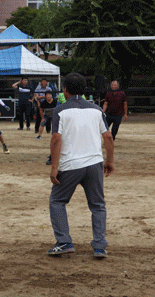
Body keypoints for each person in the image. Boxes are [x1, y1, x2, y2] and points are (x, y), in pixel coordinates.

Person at [47, 73, 114, 258]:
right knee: (98, 205)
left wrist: (54, 167)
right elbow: (108, 136)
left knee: (57, 201)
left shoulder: (60, 110)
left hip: (70, 165)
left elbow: (56, 138)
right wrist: (110, 161)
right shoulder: (96, 109)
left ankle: (64, 241)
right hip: (94, 163)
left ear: (65, 90)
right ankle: (100, 246)